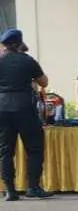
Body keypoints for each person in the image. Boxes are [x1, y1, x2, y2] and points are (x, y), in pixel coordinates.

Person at [0, 29, 48, 201]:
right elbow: (44, 82)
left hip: (2, 109)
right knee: (34, 147)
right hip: (24, 108)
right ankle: (33, 187)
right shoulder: (27, 61)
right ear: (19, 43)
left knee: (5, 150)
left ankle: (10, 190)